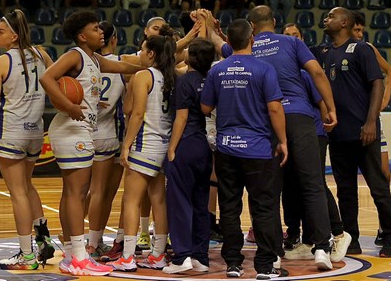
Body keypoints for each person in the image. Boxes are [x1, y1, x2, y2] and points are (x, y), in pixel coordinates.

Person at [207, 5, 338, 271]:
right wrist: (331, 107)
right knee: (312, 184)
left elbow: (221, 44)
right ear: (274, 22)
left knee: (269, 191)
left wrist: (207, 25)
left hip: (267, 122)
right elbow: (317, 73)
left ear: (251, 29)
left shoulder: (245, 49)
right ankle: (322, 248)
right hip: (300, 118)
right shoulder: (292, 42)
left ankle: (275, 251)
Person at [39, 10, 142, 276]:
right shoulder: (75, 54)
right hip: (72, 129)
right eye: (96, 29)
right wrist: (68, 105)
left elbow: (123, 67)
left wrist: (148, 68)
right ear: (83, 36)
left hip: (78, 130)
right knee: (77, 192)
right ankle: (79, 257)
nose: (102, 32)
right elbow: (46, 77)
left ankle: (72, 255)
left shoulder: (93, 59)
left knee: (71, 192)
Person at [201, 18, 288, 280]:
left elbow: (205, 108)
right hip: (259, 149)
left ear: (227, 41)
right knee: (264, 206)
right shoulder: (264, 68)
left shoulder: (217, 70)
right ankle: (265, 265)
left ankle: (233, 264)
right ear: (252, 39)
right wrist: (283, 141)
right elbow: (274, 107)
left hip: (227, 149)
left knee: (229, 207)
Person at [320, 7, 391, 257]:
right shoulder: (324, 52)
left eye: (332, 16)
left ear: (345, 22)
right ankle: (351, 238)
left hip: (363, 131)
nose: (326, 19)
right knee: (345, 190)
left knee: (378, 186)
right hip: (338, 134)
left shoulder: (361, 49)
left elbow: (377, 84)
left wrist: (371, 122)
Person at [0, 9, 55, 270]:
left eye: (0, 31)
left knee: (18, 192)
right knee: (27, 185)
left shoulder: (1, 62)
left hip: (11, 132)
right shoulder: (41, 54)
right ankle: (43, 238)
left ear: (13, 35)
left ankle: (27, 255)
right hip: (36, 132)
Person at [281, 23, 351, 263]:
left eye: (295, 35)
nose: (291, 39)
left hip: (313, 132)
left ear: (302, 40)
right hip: (294, 132)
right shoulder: (284, 71)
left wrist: (327, 119)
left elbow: (321, 102)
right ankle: (305, 239)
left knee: (314, 182)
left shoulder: (306, 73)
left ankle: (338, 233)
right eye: (287, 35)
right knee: (292, 185)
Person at [107, 34, 176, 272]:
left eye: (142, 50)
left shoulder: (142, 75)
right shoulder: (172, 76)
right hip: (163, 144)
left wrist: (126, 145)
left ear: (151, 54)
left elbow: (136, 114)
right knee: (158, 199)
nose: (140, 54)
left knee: (131, 200)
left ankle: (127, 256)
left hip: (144, 142)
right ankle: (158, 254)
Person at [350, 12, 391, 251]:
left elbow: (390, 72)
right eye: (356, 30)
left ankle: (384, 230)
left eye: (361, 31)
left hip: (372, 120)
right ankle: (359, 232)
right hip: (354, 122)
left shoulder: (367, 48)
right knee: (356, 183)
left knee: (384, 176)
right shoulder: (340, 52)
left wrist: (385, 99)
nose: (359, 34)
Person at [162, 38, 215, 274]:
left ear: (191, 57)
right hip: (204, 146)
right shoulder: (210, 80)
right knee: (200, 203)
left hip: (186, 144)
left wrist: (172, 148)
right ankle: (200, 257)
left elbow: (181, 118)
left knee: (179, 201)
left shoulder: (184, 81)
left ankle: (181, 256)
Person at [85, 21, 126, 260]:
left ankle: (78, 237)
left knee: (82, 191)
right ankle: (93, 241)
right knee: (104, 192)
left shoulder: (85, 62)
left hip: (84, 131)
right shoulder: (122, 64)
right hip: (109, 133)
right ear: (114, 39)